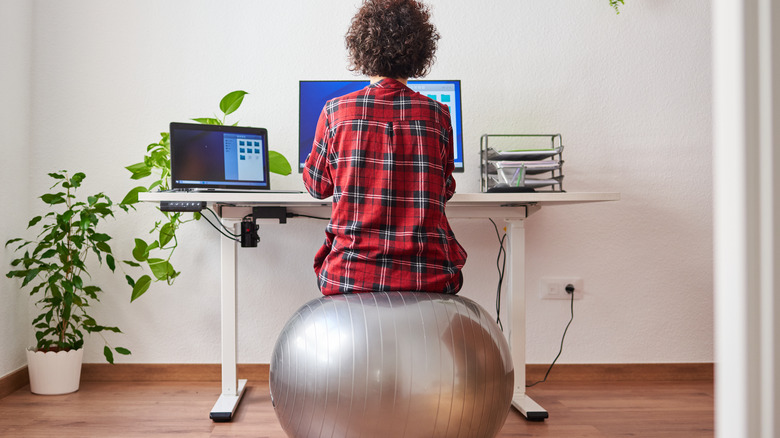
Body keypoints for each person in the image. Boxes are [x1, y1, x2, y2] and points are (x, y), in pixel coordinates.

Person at [303, 0, 467, 295]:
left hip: (349, 276)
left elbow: (317, 187)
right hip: (428, 278)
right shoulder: (438, 115)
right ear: (419, 52)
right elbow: (445, 190)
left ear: (361, 49)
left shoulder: (335, 112)